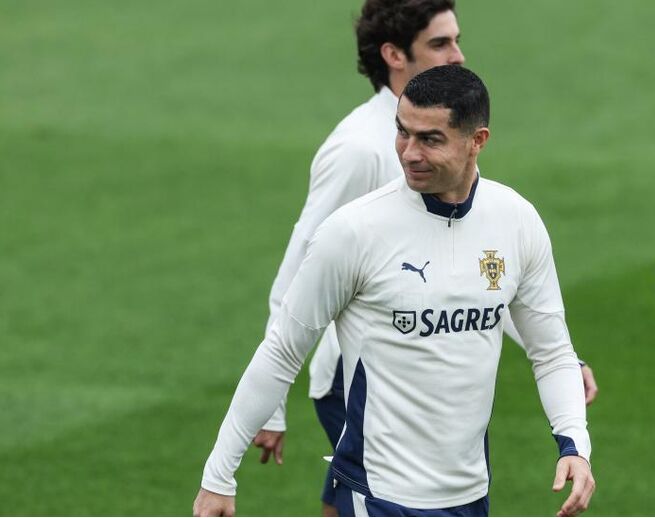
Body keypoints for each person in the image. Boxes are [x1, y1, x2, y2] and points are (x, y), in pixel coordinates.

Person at [194, 65, 596, 517]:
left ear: (477, 141)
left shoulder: (516, 221)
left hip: (470, 497)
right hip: (379, 495)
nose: (409, 152)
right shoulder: (355, 232)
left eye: (430, 139)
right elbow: (282, 351)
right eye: (402, 133)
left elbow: (553, 352)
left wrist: (574, 445)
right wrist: (218, 476)